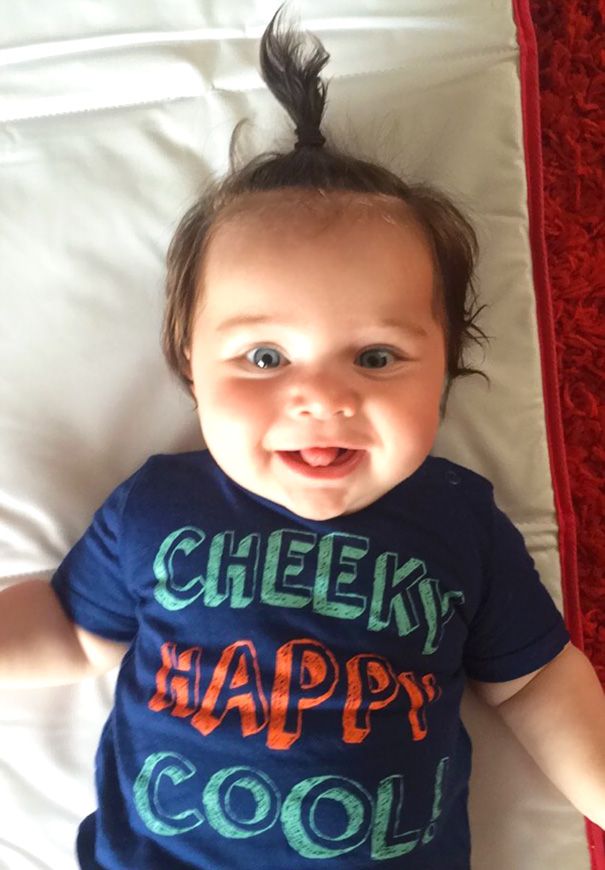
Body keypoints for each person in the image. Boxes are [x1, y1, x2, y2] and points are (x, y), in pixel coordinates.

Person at [2, 6, 604, 869]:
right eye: (264, 355)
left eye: (375, 355)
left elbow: (535, 679)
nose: (321, 396)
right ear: (189, 364)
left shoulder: (458, 520)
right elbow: (69, 629)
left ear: (446, 368)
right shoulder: (159, 504)